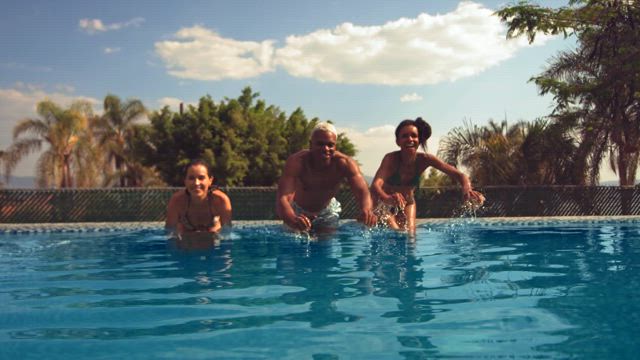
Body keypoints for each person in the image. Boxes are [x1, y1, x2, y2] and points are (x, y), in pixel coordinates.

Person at [371, 117, 485, 232]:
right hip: (384, 204)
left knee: (410, 236)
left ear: (419, 140)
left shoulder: (425, 159)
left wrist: (467, 190)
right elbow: (376, 185)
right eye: (404, 136)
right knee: (395, 233)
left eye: (414, 136)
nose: (410, 139)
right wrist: (387, 198)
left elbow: (460, 175)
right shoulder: (390, 159)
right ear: (398, 141)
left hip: (407, 203)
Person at [276, 122, 377, 233]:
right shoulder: (297, 162)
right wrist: (292, 219)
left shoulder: (345, 163)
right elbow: (283, 198)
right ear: (310, 144)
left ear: (335, 146)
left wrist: (366, 210)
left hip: (327, 212)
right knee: (294, 246)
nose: (325, 148)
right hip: (297, 211)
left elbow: (362, 192)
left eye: (330, 145)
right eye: (320, 144)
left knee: (327, 247)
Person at [165, 159, 232, 237]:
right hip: (186, 237)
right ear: (185, 181)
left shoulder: (220, 200)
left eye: (201, 178)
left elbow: (227, 233)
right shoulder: (177, 201)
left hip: (213, 237)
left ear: (210, 180)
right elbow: (169, 232)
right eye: (191, 178)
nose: (196, 183)